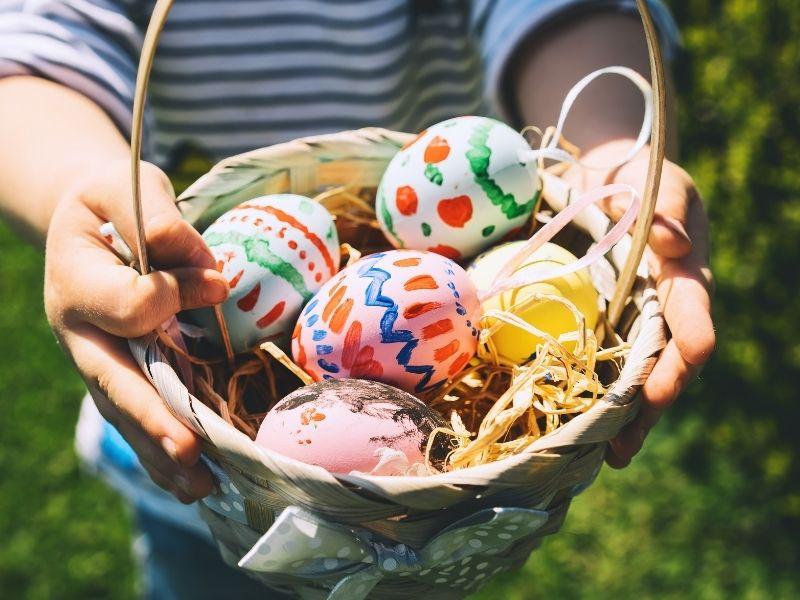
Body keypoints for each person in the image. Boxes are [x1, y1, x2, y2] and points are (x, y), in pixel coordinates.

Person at [0, 1, 714, 597]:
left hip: (436, 524)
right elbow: (38, 45)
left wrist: (610, 160)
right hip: (204, 480)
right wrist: (86, 189)